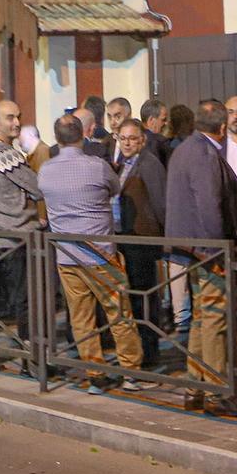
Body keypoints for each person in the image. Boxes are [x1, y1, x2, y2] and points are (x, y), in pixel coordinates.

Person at [40, 115, 146, 393]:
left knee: (81, 318)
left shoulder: (46, 170)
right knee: (119, 312)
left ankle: (95, 372)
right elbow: (116, 188)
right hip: (101, 254)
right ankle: (130, 370)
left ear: (57, 137)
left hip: (66, 255)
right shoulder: (96, 166)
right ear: (82, 135)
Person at [164, 99, 237, 414]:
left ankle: (195, 386)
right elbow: (209, 206)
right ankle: (215, 391)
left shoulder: (184, 149)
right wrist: (217, 249)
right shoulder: (206, 155)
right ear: (222, 128)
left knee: (199, 318)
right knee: (214, 319)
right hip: (205, 250)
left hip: (187, 248)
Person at [0, 99, 46, 363]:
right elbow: (38, 188)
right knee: (29, 300)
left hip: (3, 236)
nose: (16, 122)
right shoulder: (7, 154)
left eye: (18, 116)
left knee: (22, 300)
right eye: (9, 118)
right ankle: (34, 359)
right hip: (21, 236)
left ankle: (30, 355)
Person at [112, 118, 168, 368]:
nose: (127, 143)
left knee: (145, 298)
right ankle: (138, 350)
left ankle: (149, 352)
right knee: (133, 297)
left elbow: (160, 203)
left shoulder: (149, 164)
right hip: (126, 238)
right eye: (123, 138)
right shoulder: (123, 163)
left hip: (143, 241)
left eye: (132, 138)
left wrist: (164, 240)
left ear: (142, 140)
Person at [136, 97, 174, 163]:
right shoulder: (161, 142)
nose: (166, 123)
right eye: (163, 120)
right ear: (151, 120)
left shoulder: (134, 141)